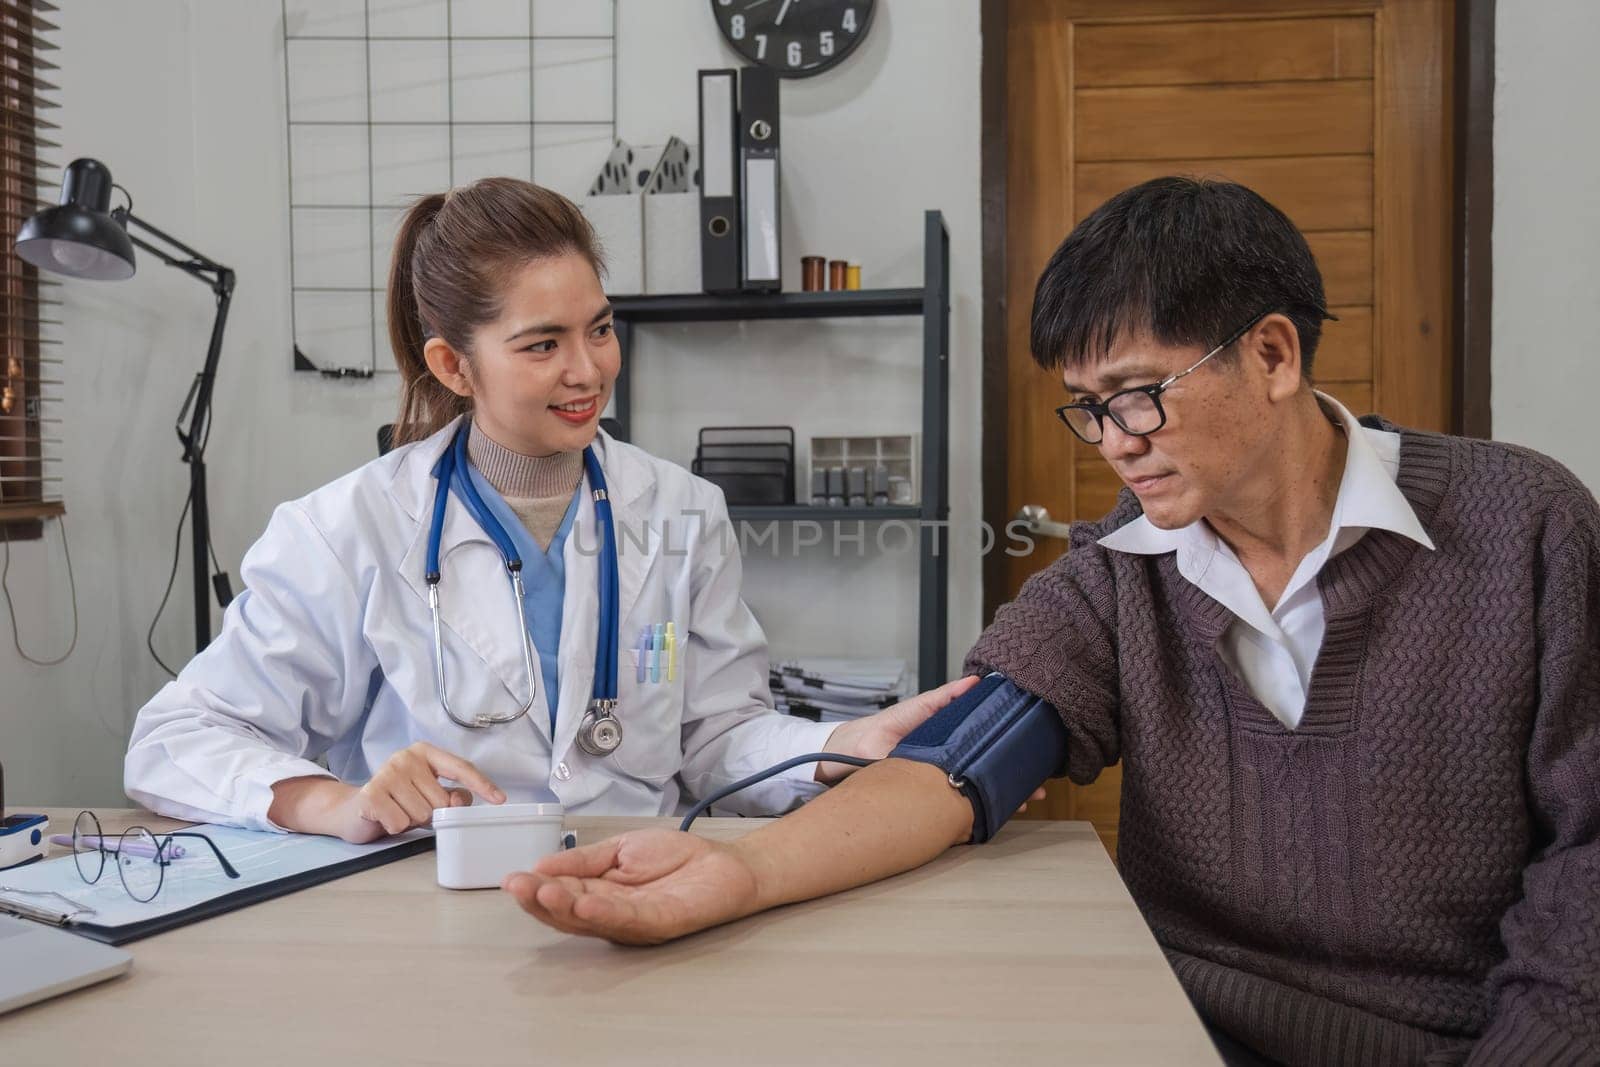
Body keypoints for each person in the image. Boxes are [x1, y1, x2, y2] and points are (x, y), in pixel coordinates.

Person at [502, 178, 1600, 1066]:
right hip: (1184, 1027)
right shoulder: (1128, 564)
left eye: (1137, 393)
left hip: (1469, 1038)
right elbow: (955, 761)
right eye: (1089, 406)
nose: (1113, 440)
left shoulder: (1526, 525)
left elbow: (1588, 866)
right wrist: (739, 875)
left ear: (1272, 354)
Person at [124, 178, 961, 844]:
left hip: (634, 876)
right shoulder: (346, 530)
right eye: (542, 344)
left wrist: (835, 748)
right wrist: (337, 802)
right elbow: (173, 742)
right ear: (453, 365)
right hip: (428, 895)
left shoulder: (679, 509)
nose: (588, 369)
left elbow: (715, 735)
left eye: (599, 329)